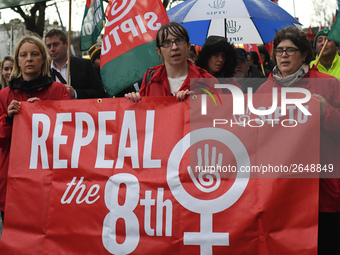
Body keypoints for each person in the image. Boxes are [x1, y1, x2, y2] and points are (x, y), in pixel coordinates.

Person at [256, 26, 340, 255]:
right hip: (280, 194)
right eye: (279, 50)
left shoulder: (329, 84)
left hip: (322, 193)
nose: (283, 55)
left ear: (304, 54)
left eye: (290, 50)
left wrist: (326, 111)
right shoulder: (264, 91)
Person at [0, 34, 72, 223]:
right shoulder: (4, 95)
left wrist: (48, 112)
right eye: (23, 55)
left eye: (34, 54)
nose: (29, 59)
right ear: (17, 60)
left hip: (49, 175)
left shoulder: (59, 90)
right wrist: (8, 118)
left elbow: (72, 130)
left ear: (43, 58)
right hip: (13, 177)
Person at [125, 22, 216, 102]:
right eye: (167, 43)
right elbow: (144, 115)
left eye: (179, 41)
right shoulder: (150, 78)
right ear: (159, 51)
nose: (174, 47)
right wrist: (134, 103)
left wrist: (198, 104)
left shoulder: (208, 81)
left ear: (188, 46)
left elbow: (219, 117)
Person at [45, 29, 108, 99]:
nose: (52, 49)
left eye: (55, 44)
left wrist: (75, 93)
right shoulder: (44, 71)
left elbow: (100, 93)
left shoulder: (85, 65)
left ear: (66, 44)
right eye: (49, 46)